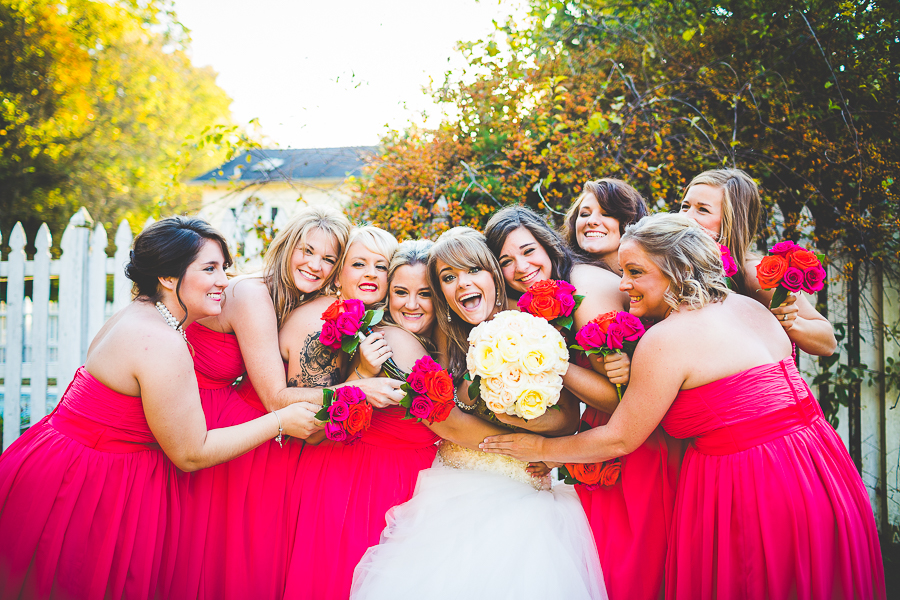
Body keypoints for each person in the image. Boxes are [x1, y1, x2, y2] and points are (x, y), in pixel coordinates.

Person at [482, 214, 885, 600]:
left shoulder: (667, 339)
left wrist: (539, 451)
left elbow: (620, 437)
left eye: (636, 272)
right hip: (820, 468)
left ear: (676, 270)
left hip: (751, 483)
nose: (623, 286)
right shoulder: (750, 308)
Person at [0, 217, 318, 600]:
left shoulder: (139, 312)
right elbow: (191, 453)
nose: (223, 281)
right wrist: (279, 420)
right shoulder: (161, 342)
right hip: (89, 481)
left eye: (224, 268)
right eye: (210, 269)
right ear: (168, 277)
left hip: (59, 456)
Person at [350, 227, 607, 600]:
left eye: (472, 270)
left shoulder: (530, 329)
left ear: (492, 275)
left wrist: (530, 437)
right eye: (448, 278)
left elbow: (568, 417)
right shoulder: (441, 337)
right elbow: (446, 422)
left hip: (526, 491)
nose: (462, 284)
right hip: (453, 491)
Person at [172, 208, 402, 600]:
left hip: (251, 418)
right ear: (287, 247)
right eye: (307, 251)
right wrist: (362, 383)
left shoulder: (309, 301)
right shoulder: (260, 295)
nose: (315, 265)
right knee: (236, 553)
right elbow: (278, 398)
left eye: (328, 258)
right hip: (241, 424)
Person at [487, 205, 679, 600]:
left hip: (635, 442)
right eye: (506, 261)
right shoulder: (532, 300)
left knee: (631, 570)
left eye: (528, 251)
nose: (521, 267)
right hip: (593, 440)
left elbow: (621, 401)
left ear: (549, 245)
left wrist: (549, 356)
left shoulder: (585, 288)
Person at [283, 226, 417, 600]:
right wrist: (361, 376)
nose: (371, 274)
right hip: (321, 465)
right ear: (339, 272)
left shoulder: (385, 319)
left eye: (382, 266)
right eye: (359, 264)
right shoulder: (323, 325)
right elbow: (309, 430)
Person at [679, 168, 837, 356]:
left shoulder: (753, 273)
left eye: (702, 209)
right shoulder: (676, 265)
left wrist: (790, 321)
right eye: (685, 206)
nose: (686, 217)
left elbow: (827, 342)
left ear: (732, 222)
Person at [562, 178, 649, 274]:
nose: (591, 221)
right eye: (585, 214)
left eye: (607, 214)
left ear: (631, 222)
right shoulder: (561, 274)